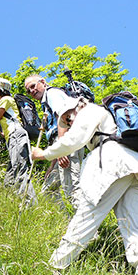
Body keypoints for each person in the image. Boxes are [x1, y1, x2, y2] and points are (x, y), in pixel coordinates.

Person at [31, 95, 138, 275]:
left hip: (111, 164)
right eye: (66, 122)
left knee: (88, 214)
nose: (70, 122)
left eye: (68, 116)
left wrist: (43, 154)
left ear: (77, 106)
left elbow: (72, 141)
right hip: (134, 166)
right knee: (132, 223)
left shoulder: (89, 110)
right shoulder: (106, 116)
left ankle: (55, 266)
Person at [24, 74, 86, 211]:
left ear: (43, 82)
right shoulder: (46, 102)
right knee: (48, 191)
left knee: (72, 190)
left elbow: (63, 116)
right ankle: (69, 223)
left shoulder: (52, 94)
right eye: (28, 91)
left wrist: (61, 149)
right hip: (62, 145)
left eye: (33, 86)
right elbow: (54, 135)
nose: (32, 91)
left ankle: (89, 230)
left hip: (68, 142)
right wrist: (52, 164)